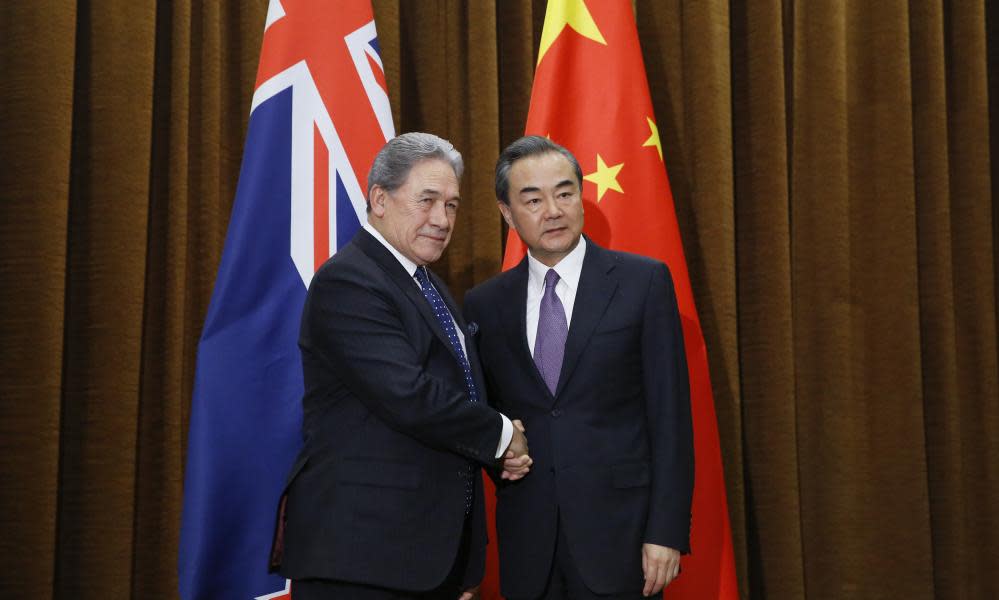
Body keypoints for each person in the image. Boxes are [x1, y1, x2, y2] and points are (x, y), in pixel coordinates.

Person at [270, 132, 531, 600]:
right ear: (379, 199)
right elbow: (409, 395)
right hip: (363, 559)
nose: (442, 219)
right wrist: (501, 436)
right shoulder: (349, 281)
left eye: (451, 205)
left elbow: (463, 389)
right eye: (427, 200)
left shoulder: (426, 284)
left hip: (423, 559)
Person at [463, 136, 694, 599]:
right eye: (533, 199)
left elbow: (670, 417)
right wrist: (501, 454)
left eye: (565, 193)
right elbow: (486, 418)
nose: (553, 210)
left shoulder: (642, 283)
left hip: (622, 542)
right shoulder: (484, 304)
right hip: (529, 545)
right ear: (508, 214)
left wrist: (665, 531)